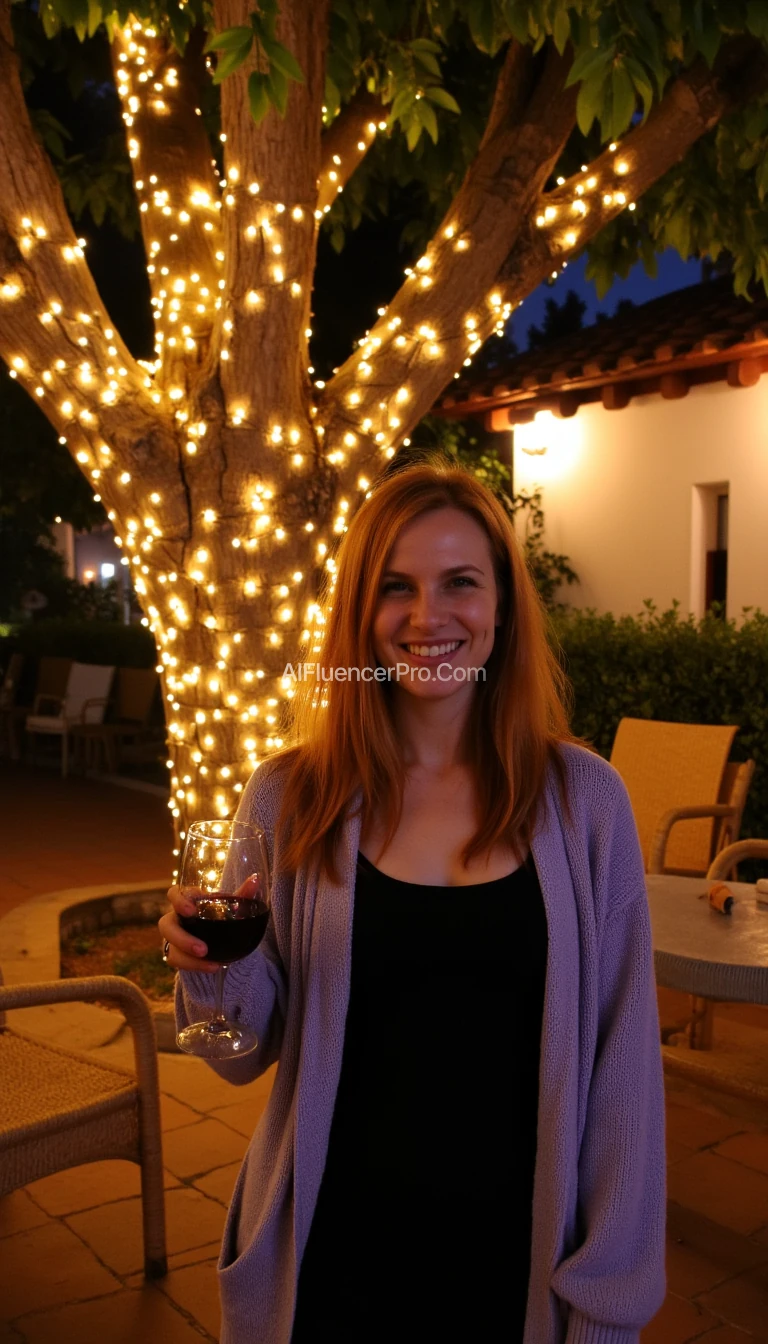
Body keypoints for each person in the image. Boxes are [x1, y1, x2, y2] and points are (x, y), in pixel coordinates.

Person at [162, 460, 667, 1344]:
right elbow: (241, 1053)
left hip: (516, 1266)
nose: (428, 617)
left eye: (459, 583)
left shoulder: (585, 802)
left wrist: (605, 1310)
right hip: (330, 1261)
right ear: (361, 613)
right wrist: (211, 972)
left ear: (503, 606)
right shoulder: (288, 797)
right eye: (396, 587)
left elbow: (624, 1078)